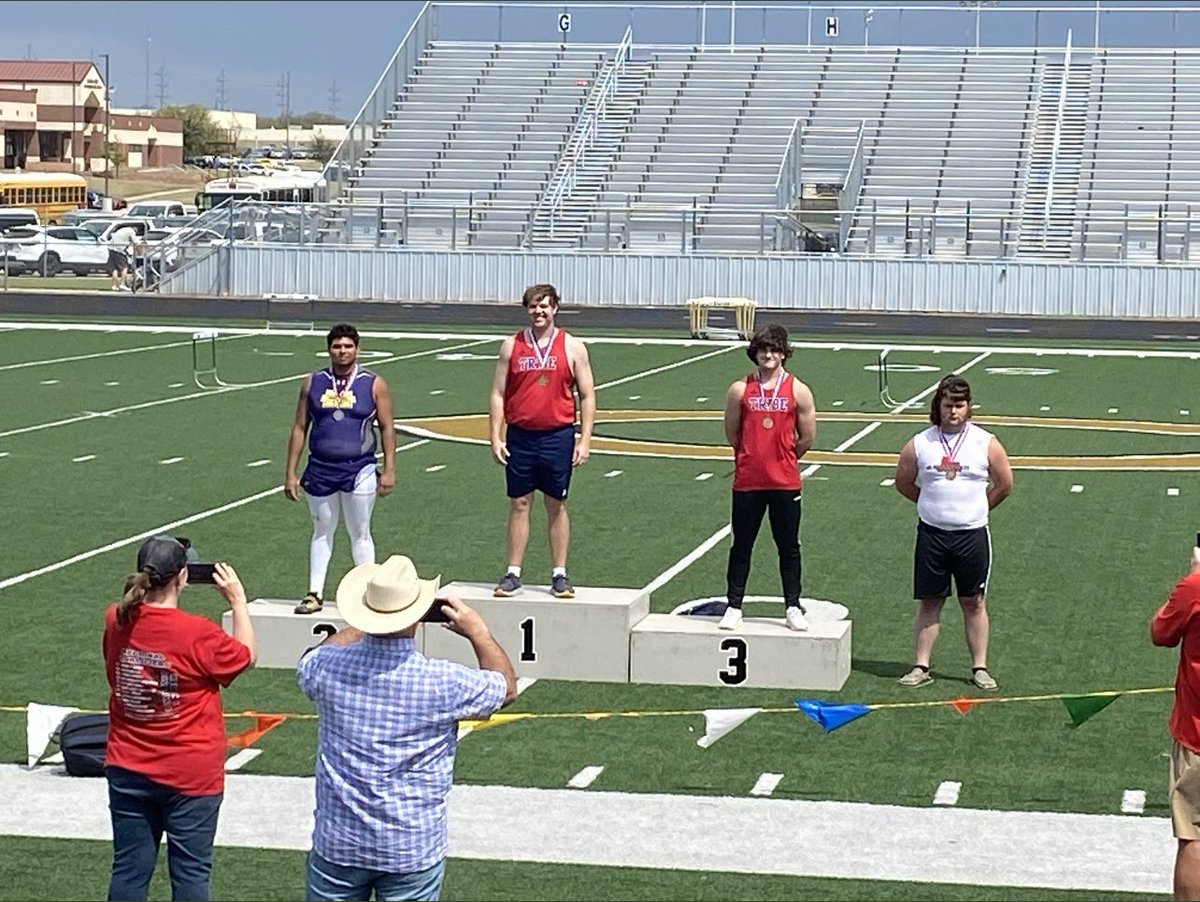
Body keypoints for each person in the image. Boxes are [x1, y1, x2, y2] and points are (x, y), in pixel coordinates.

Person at [298, 554, 517, 901]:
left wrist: (366, 620)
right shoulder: (441, 681)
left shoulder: (325, 669)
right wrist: (478, 632)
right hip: (409, 844)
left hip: (339, 840)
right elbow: (505, 688)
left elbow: (311, 659)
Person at [103, 535, 257, 902]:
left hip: (128, 764)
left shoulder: (116, 618)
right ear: (182, 577)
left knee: (128, 869)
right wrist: (238, 601)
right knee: (191, 873)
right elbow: (246, 655)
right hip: (190, 774)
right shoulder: (196, 632)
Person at [893, 374, 1013, 690]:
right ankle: (921, 666)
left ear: (969, 407)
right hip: (932, 535)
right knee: (930, 601)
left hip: (971, 535)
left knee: (973, 601)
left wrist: (979, 508)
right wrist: (930, 503)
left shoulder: (986, 442)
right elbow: (903, 482)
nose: (954, 412)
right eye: (948, 405)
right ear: (938, 406)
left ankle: (980, 668)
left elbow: (1004, 483)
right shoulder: (920, 443)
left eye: (959, 405)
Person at [488, 283, 595, 599]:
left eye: (544, 306)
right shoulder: (511, 346)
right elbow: (497, 392)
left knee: (556, 503)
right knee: (519, 503)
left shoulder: (573, 347)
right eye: (533, 307)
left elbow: (587, 395)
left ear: (555, 308)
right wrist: (495, 436)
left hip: (557, 435)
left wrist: (585, 439)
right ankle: (513, 572)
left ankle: (559, 574)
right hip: (521, 435)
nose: (539, 312)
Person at [285, 323, 396, 614]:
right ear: (328, 349)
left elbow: (387, 428)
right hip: (320, 468)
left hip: (359, 468)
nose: (342, 351)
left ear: (357, 349)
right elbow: (299, 427)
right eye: (337, 346)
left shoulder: (373, 383)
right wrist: (290, 472)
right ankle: (314, 593)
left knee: (360, 530)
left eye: (348, 346)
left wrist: (390, 469)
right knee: (322, 529)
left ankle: (370, 593)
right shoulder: (312, 382)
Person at [718, 323, 818, 632]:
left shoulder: (798, 389)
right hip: (748, 481)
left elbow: (807, 437)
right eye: (763, 349)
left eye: (774, 349)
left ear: (784, 353)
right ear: (755, 353)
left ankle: (792, 605)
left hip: (784, 482)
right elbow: (732, 432)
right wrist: (753, 454)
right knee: (741, 546)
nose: (768, 354)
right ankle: (734, 605)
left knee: (788, 546)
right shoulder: (740, 389)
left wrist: (782, 457)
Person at [1151, 545, 1200, 900]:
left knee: (1194, 837)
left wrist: (1192, 576)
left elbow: (1161, 632)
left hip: (1196, 734)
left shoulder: (1195, 587)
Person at [107, 223, 137, 291]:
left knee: (115, 268)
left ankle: (114, 285)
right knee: (125, 267)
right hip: (119, 250)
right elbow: (136, 242)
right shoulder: (131, 231)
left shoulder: (122, 230)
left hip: (111, 249)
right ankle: (122, 284)